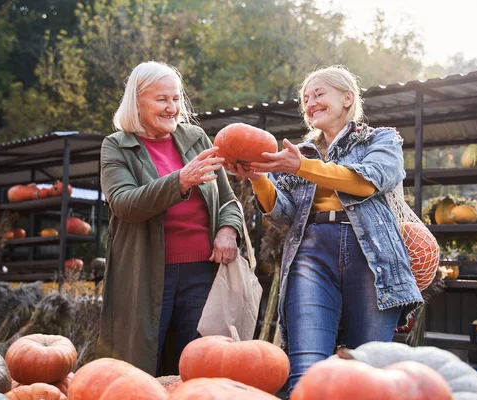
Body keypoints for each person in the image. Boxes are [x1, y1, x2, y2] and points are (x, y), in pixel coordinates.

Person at [229, 65, 424, 393]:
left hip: (371, 256)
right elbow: (284, 214)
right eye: (306, 99)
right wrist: (259, 177)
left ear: (348, 98)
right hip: (310, 252)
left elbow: (365, 182)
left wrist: (302, 167)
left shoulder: (381, 140)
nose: (311, 102)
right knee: (305, 367)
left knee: (368, 366)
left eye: (319, 94)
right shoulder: (298, 152)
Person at [97, 61, 243, 376]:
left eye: (176, 99)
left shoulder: (196, 138)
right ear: (137, 102)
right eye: (161, 99)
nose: (172, 107)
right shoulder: (116, 146)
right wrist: (180, 181)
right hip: (146, 274)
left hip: (202, 273)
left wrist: (228, 231)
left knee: (200, 368)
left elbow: (228, 200)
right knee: (140, 369)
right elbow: (124, 203)